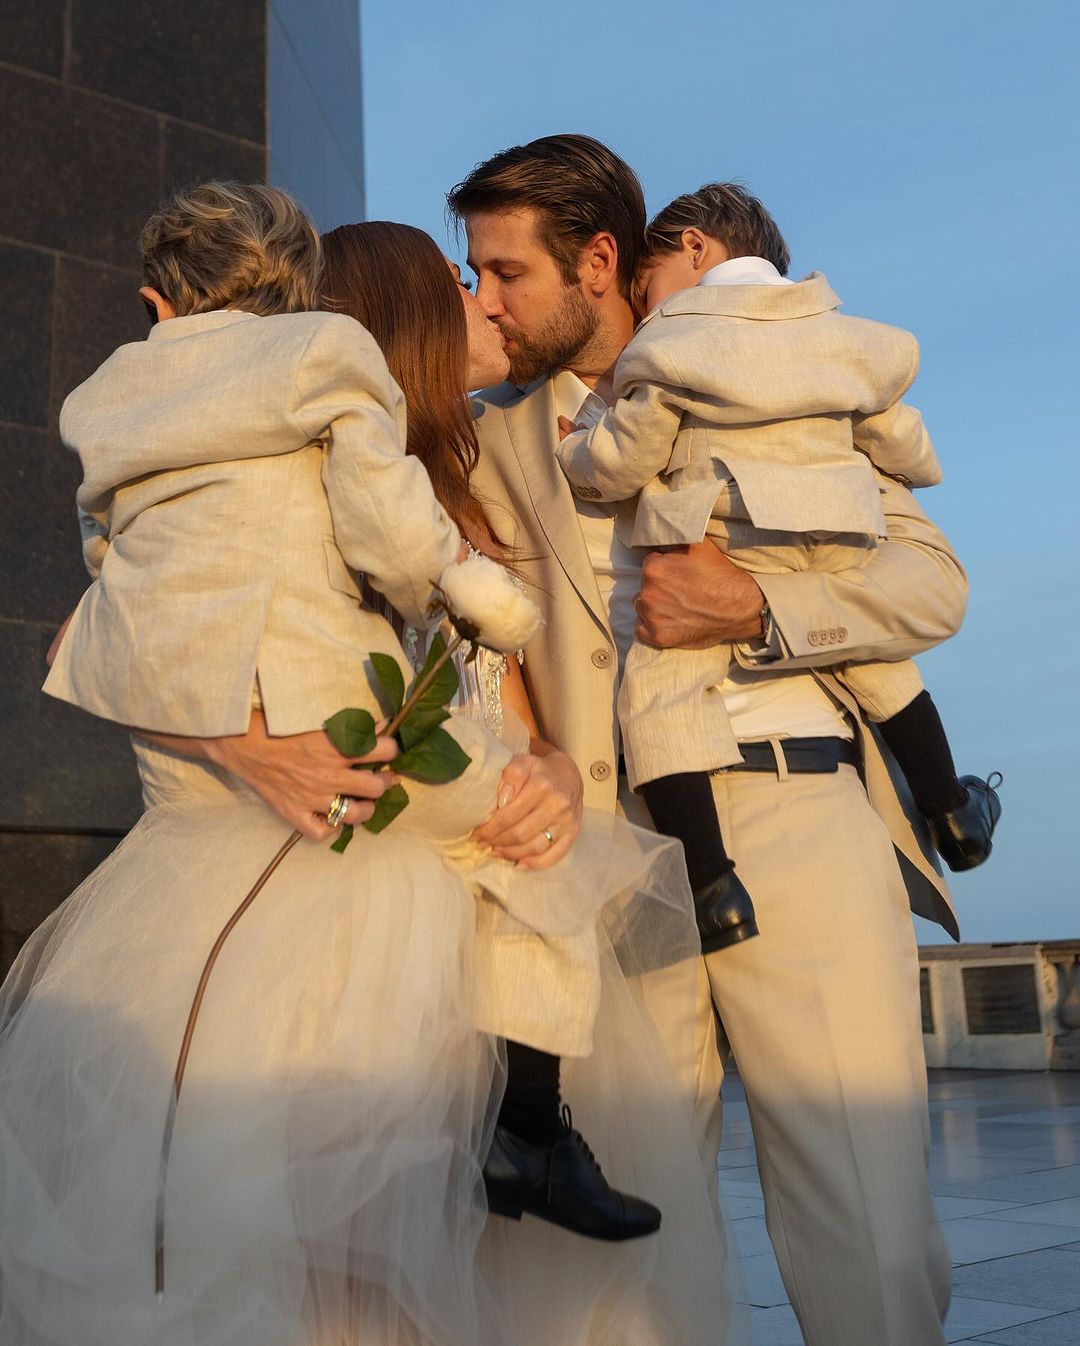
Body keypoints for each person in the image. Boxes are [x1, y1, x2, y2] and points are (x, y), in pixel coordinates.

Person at [0, 186, 744, 1345]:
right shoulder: (286, 465)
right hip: (298, 911)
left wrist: (546, 767)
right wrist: (248, 744)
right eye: (455, 287)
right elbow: (86, 636)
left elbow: (530, 714)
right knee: (316, 1262)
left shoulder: (462, 485)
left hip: (441, 908)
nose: (476, 302)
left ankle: (530, 1131)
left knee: (417, 1274)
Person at [447, 133, 969, 1346]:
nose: (486, 301)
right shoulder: (485, 439)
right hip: (604, 860)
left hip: (796, 808)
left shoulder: (785, 374)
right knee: (635, 1248)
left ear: (598, 262)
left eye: (505, 273)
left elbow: (933, 583)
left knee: (869, 1221)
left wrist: (766, 609)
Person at [556, 181, 1002, 951]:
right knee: (880, 668)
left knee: (659, 697)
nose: (645, 301)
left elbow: (624, 462)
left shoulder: (672, 342)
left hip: (721, 526)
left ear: (695, 249)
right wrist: (881, 462)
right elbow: (902, 439)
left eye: (648, 282)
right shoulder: (844, 336)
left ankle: (710, 887)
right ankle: (953, 811)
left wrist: (574, 451)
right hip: (837, 521)